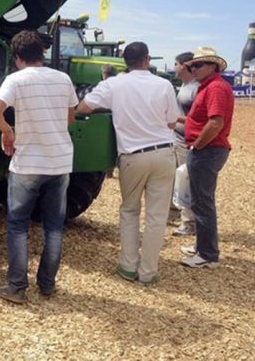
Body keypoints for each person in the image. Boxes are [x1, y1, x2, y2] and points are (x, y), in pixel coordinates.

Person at [0, 30, 78, 303]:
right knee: (54, 227)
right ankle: (47, 285)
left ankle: (16, 287)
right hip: (60, 163)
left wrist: (7, 131)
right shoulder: (63, 79)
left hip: (27, 164)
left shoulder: (16, 79)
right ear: (42, 53)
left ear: (17, 58)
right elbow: (70, 118)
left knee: (17, 226)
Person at [77, 42, 178, 286]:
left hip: (132, 155)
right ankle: (148, 272)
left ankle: (128, 265)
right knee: (157, 215)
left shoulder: (114, 83)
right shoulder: (164, 84)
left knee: (130, 210)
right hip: (164, 153)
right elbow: (172, 122)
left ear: (125, 61)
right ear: (147, 59)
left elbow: (83, 107)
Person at [179, 47, 234, 269]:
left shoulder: (216, 88)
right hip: (207, 149)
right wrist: (179, 122)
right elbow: (205, 121)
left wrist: (197, 145)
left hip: (207, 150)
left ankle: (208, 254)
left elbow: (215, 122)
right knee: (199, 201)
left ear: (213, 66)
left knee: (202, 202)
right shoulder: (209, 87)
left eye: (198, 65)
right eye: (192, 65)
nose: (194, 69)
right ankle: (203, 246)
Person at [170, 51, 199, 236]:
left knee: (187, 182)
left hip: (187, 142)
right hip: (177, 139)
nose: (173, 67)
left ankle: (189, 222)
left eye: (175, 63)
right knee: (175, 180)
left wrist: (173, 119)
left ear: (183, 65)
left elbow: (198, 120)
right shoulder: (184, 85)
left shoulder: (196, 88)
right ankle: (174, 214)